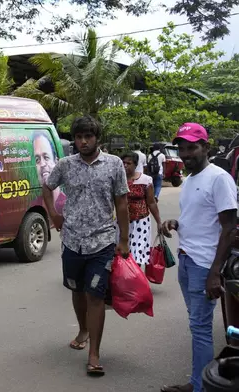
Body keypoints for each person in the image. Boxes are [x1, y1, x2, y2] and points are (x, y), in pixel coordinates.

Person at [43, 115, 130, 377]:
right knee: (76, 290)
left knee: (95, 296)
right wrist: (54, 216)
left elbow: (122, 204)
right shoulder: (66, 165)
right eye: (79, 137)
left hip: (102, 241)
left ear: (97, 138)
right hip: (71, 241)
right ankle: (83, 328)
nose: (83, 141)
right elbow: (47, 188)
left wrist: (123, 240)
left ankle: (94, 353)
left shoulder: (114, 164)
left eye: (88, 136)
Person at [160, 123, 237, 392]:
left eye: (192, 147)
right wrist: (177, 223)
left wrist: (215, 273)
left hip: (205, 265)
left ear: (206, 147)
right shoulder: (192, 179)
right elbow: (202, 218)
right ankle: (197, 383)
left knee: (201, 328)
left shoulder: (219, 178)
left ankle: (202, 387)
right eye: (181, 149)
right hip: (187, 260)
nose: (185, 154)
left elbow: (229, 228)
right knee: (197, 325)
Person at [121, 152, 161, 266]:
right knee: (123, 254)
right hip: (122, 223)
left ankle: (135, 280)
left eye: (129, 163)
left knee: (136, 256)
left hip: (140, 223)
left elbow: (152, 203)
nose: (125, 165)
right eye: (123, 163)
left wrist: (159, 222)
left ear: (135, 164)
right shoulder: (118, 180)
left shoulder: (145, 180)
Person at [32, 131, 66, 215]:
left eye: (46, 157)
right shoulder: (33, 205)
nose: (42, 164)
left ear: (56, 161)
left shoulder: (68, 204)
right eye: (37, 160)